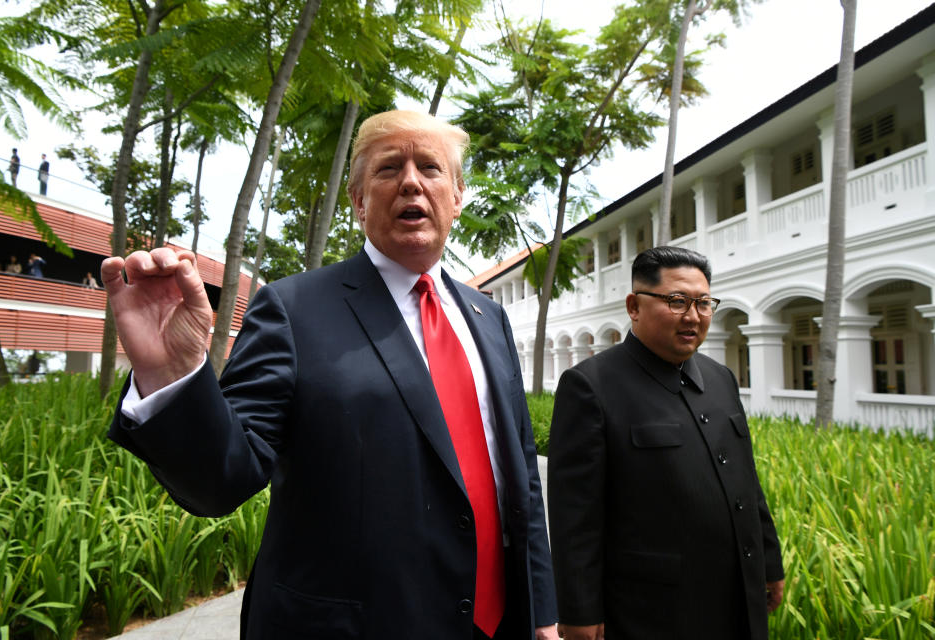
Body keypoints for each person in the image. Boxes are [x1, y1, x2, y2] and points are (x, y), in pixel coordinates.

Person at [103, 110, 558, 640]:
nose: (411, 180)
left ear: (456, 196)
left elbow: (520, 475)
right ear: (359, 200)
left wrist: (541, 612)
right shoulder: (292, 309)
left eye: (430, 167)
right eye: (389, 169)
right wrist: (173, 373)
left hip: (496, 625)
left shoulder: (489, 316)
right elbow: (222, 482)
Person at [548, 246, 784, 640]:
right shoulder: (591, 386)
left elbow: (746, 481)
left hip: (737, 596)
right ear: (634, 306)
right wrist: (579, 612)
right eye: (677, 301)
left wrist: (769, 563)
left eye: (704, 303)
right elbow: (576, 516)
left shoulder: (721, 378)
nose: (693, 316)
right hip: (653, 610)